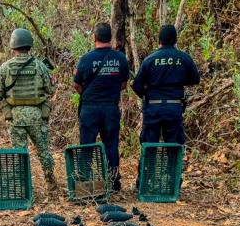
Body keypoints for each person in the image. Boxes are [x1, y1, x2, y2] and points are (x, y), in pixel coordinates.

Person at [0, 28, 57, 191]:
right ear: (30, 45)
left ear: (13, 46)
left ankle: (22, 186)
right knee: (43, 150)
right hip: (36, 115)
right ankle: (51, 184)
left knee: (20, 153)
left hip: (15, 117)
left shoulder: (5, 67)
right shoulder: (40, 66)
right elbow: (50, 90)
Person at [73, 22, 130, 192]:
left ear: (95, 38)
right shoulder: (120, 58)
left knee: (87, 145)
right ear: (110, 38)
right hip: (110, 108)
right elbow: (124, 84)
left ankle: (84, 184)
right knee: (111, 145)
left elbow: (76, 84)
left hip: (90, 108)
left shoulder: (86, 59)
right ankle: (113, 183)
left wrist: (88, 94)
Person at [131, 24, 200, 146]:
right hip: (174, 108)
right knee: (174, 148)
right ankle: (172, 165)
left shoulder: (150, 60)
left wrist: (146, 95)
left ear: (159, 40)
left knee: (149, 147)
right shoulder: (184, 58)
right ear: (175, 40)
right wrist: (179, 81)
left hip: (153, 109)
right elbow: (195, 79)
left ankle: (148, 165)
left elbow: (136, 85)